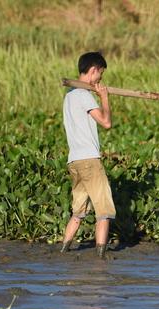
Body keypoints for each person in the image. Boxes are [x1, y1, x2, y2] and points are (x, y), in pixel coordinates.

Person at [60, 51, 115, 259]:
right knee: (104, 211)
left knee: (78, 211)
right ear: (93, 71)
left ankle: (64, 250)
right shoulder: (84, 95)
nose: (100, 79)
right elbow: (106, 123)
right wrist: (105, 98)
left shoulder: (69, 96)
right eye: (100, 74)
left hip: (74, 160)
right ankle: (101, 257)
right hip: (89, 160)